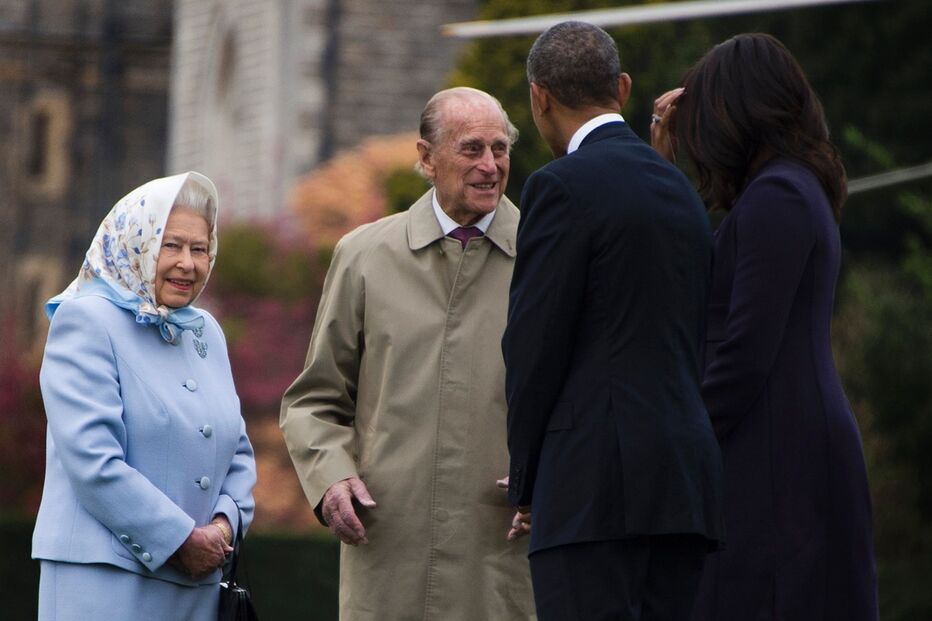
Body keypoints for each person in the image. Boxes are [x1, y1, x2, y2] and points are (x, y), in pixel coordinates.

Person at [280, 87, 535, 619]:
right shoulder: (363, 255)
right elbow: (314, 401)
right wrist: (331, 479)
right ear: (426, 157)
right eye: (472, 149)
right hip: (389, 550)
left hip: (506, 553)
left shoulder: (546, 254)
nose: (490, 166)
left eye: (500, 149)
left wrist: (553, 477)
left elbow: (584, 397)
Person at [651, 33, 879, 620]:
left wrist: (680, 440)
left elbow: (745, 351)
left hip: (779, 454)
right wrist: (661, 167)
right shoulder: (784, 189)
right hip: (776, 442)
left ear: (735, 110)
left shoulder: (779, 194)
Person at [502, 21, 724, 621]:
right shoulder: (682, 192)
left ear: (539, 97)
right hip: (683, 488)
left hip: (591, 491)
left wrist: (527, 480)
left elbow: (533, 347)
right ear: (622, 88)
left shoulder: (559, 187)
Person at [32, 172, 257, 621]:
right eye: (171, 245)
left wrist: (223, 526)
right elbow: (93, 461)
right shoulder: (85, 321)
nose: (187, 263)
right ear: (136, 242)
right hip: (104, 585)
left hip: (198, 591)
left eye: (199, 249)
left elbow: (238, 452)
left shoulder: (206, 331)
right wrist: (180, 540)